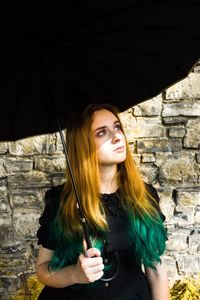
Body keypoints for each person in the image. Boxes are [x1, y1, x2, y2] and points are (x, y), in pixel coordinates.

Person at [36, 103, 170, 300]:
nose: (117, 136)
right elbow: (42, 270)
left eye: (117, 127)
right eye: (102, 132)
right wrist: (75, 274)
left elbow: (156, 270)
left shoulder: (143, 196)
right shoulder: (61, 201)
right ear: (83, 144)